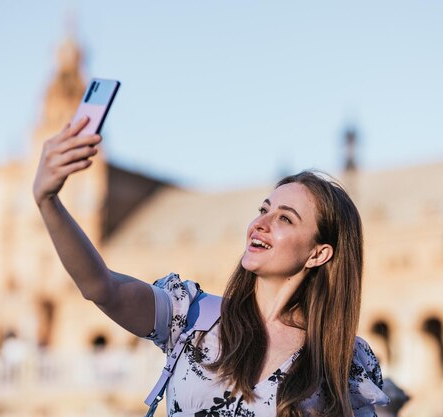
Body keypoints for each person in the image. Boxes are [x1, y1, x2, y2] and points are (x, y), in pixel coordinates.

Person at [33, 117, 390, 417]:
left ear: (318, 254)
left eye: (285, 218)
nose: (260, 223)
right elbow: (101, 287)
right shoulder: (192, 315)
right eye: (263, 209)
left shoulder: (346, 362)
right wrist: (49, 201)